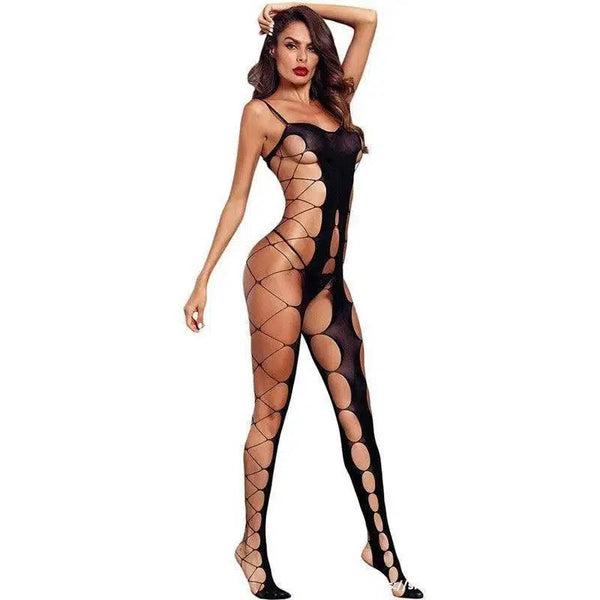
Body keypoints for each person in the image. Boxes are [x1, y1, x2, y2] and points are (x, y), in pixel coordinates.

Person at [184, 4, 424, 598]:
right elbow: (238, 197)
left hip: (329, 280)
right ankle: (251, 549)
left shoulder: (337, 103)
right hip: (279, 270)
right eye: (290, 45)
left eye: (311, 46)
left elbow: (368, 21)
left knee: (357, 411)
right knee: (273, 410)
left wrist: (298, 5)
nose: (301, 56)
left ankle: (380, 547)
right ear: (273, 50)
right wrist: (203, 277)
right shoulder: (260, 114)